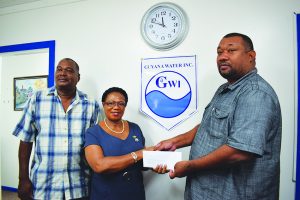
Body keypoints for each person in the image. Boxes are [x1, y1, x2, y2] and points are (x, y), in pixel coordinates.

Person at [155, 33, 282, 200]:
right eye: (219, 52)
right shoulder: (225, 89)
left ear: (251, 56)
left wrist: (190, 166)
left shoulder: (255, 93)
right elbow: (208, 126)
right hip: (205, 191)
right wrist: (174, 142)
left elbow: (240, 151)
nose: (223, 57)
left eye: (231, 51)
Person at [13, 58, 100, 200]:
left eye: (69, 70)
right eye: (59, 69)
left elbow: (96, 145)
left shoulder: (91, 104)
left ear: (78, 77)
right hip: (44, 186)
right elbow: (25, 141)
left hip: (79, 186)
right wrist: (23, 178)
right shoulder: (37, 99)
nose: (62, 73)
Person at [84, 87, 153, 200]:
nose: (116, 107)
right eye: (111, 103)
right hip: (105, 195)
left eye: (121, 103)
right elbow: (99, 165)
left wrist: (155, 164)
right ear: (104, 104)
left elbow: (141, 162)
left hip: (135, 194)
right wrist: (139, 154)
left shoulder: (135, 128)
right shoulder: (93, 132)